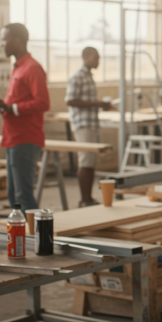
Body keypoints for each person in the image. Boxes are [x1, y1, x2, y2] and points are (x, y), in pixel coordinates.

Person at [0, 23, 51, 213]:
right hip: (12, 139)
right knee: (14, 198)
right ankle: (21, 239)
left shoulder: (32, 68)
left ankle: (37, 238)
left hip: (25, 140)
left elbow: (43, 103)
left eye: (4, 39)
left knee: (23, 197)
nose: (1, 44)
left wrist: (11, 107)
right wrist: (4, 106)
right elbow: (19, 101)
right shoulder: (18, 67)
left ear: (16, 41)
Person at [66, 47, 112, 207]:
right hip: (83, 124)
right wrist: (97, 103)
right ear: (86, 57)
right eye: (96, 58)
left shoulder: (89, 76)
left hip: (92, 123)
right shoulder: (78, 76)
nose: (98, 61)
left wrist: (100, 105)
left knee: (91, 162)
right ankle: (84, 200)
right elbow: (70, 100)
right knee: (85, 162)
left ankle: (89, 198)